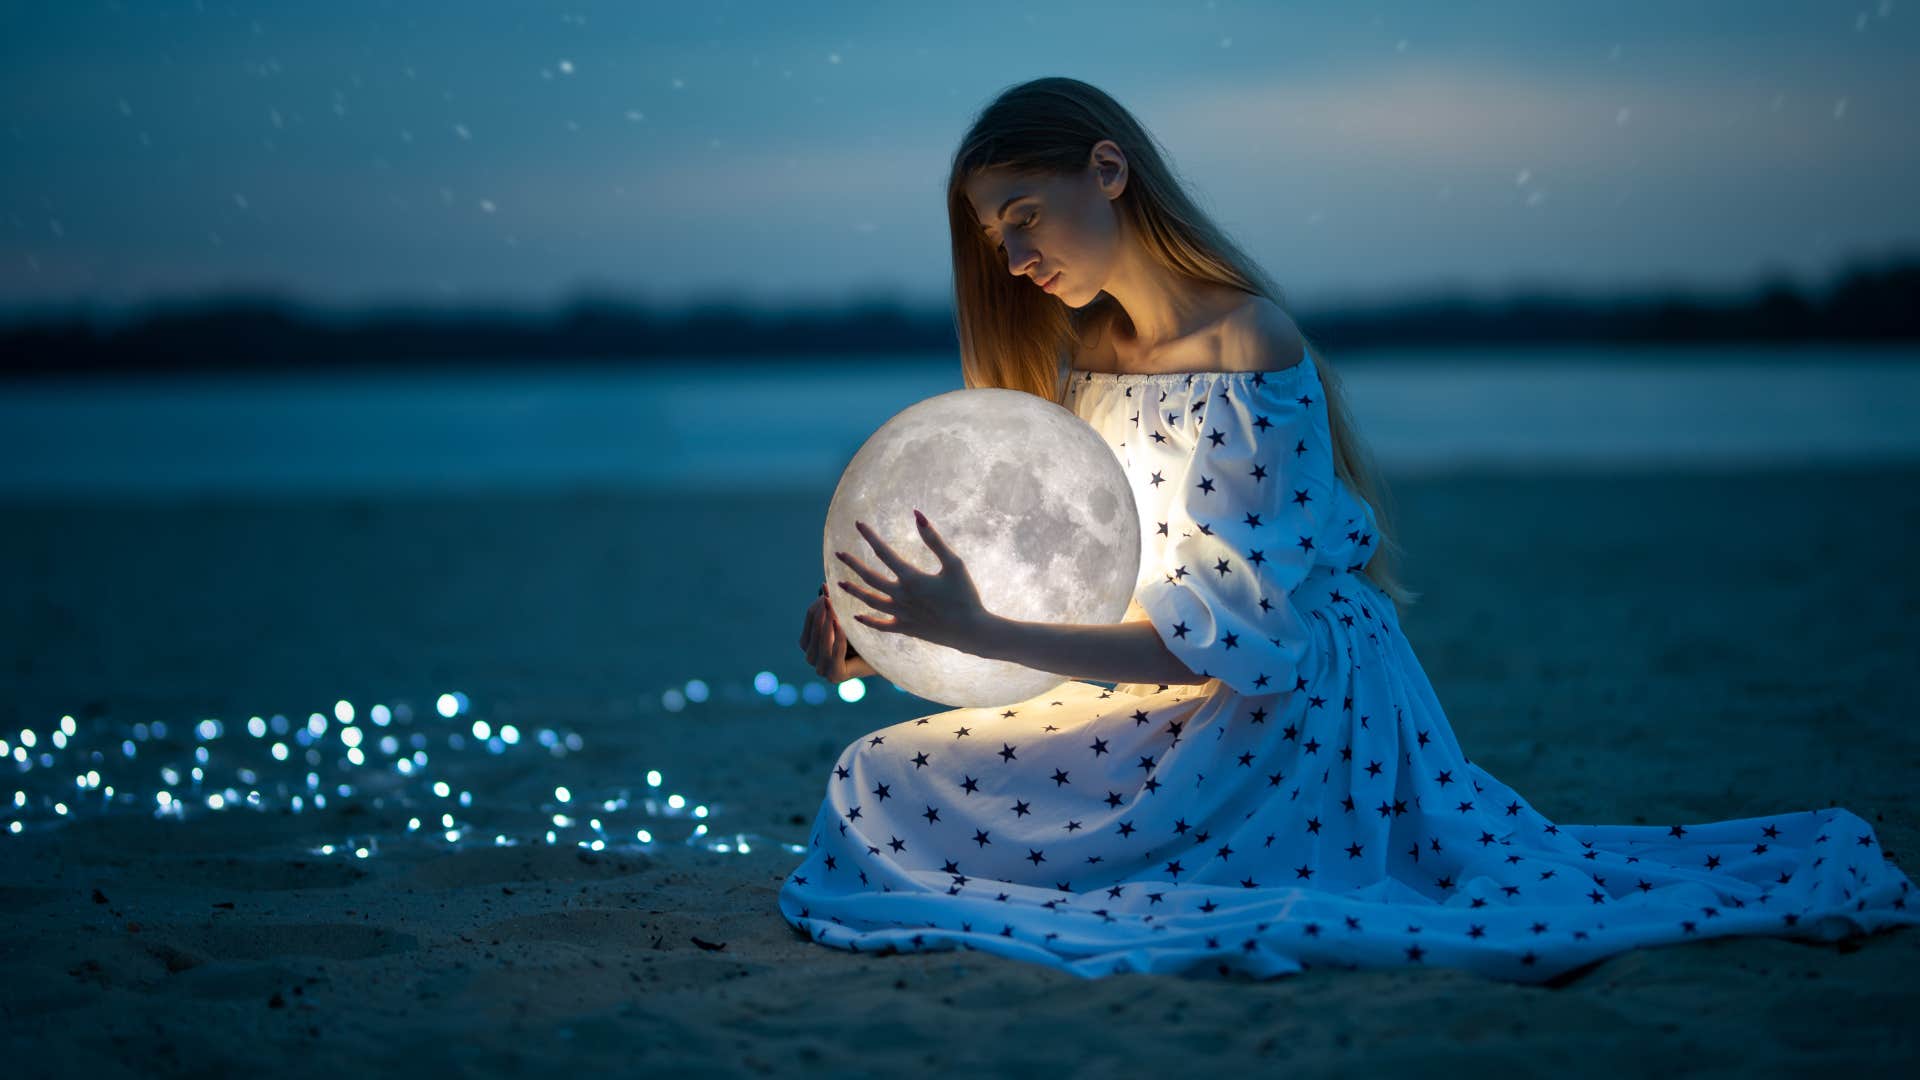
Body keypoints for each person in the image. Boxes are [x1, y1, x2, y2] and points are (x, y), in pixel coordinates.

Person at [782, 77, 1917, 983]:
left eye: (1023, 216)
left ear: (1109, 169)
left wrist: (982, 628)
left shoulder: (1249, 344)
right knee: (879, 772)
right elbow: (1071, 590)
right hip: (1141, 682)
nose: (1016, 258)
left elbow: (1234, 644)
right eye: (996, 240)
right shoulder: (1075, 365)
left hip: (1281, 713)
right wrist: (891, 640)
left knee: (924, 810)